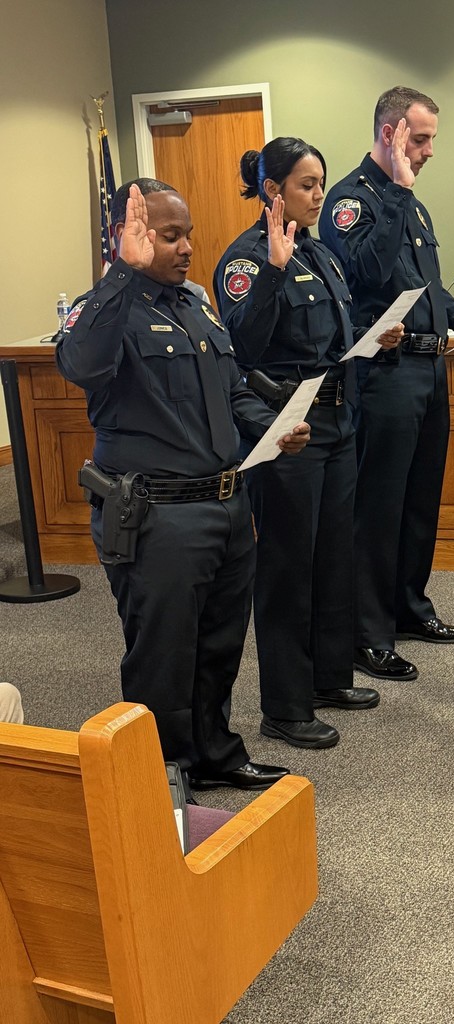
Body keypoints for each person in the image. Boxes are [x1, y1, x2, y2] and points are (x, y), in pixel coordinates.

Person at [56, 177, 311, 792]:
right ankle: (153, 779)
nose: (186, 247)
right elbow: (80, 363)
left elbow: (230, 393)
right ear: (130, 236)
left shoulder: (195, 305)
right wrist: (122, 274)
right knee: (163, 655)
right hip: (157, 517)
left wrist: (274, 429)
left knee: (219, 646)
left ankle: (213, 755)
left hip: (225, 506)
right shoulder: (106, 311)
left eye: (188, 234)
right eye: (169, 236)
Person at [214, 139, 403, 750]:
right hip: (285, 427)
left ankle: (328, 678)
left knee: (332, 556)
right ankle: (286, 705)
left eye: (321, 183)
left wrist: (376, 339)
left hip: (337, 421)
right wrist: (272, 270)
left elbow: (328, 345)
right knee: (289, 565)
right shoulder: (246, 260)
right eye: (305, 184)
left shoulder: (321, 253)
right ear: (273, 191)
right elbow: (242, 346)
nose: (319, 195)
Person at [319, 86, 454, 682]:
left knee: (420, 499)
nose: (427, 152)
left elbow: (423, 284)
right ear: (391, 133)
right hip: (384, 373)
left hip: (430, 367)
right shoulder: (352, 200)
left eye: (430, 141)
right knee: (378, 505)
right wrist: (398, 189)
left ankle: (406, 608)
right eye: (419, 139)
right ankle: (366, 633)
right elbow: (367, 271)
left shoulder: (413, 207)